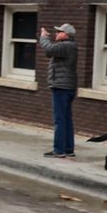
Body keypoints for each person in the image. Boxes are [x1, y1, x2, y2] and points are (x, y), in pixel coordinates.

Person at [39, 22, 78, 158]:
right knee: (66, 118)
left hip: (61, 86)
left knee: (59, 119)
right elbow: (50, 54)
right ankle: (68, 149)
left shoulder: (66, 45)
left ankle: (59, 150)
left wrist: (43, 37)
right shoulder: (69, 46)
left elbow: (48, 49)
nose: (56, 33)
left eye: (59, 32)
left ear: (66, 35)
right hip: (68, 86)